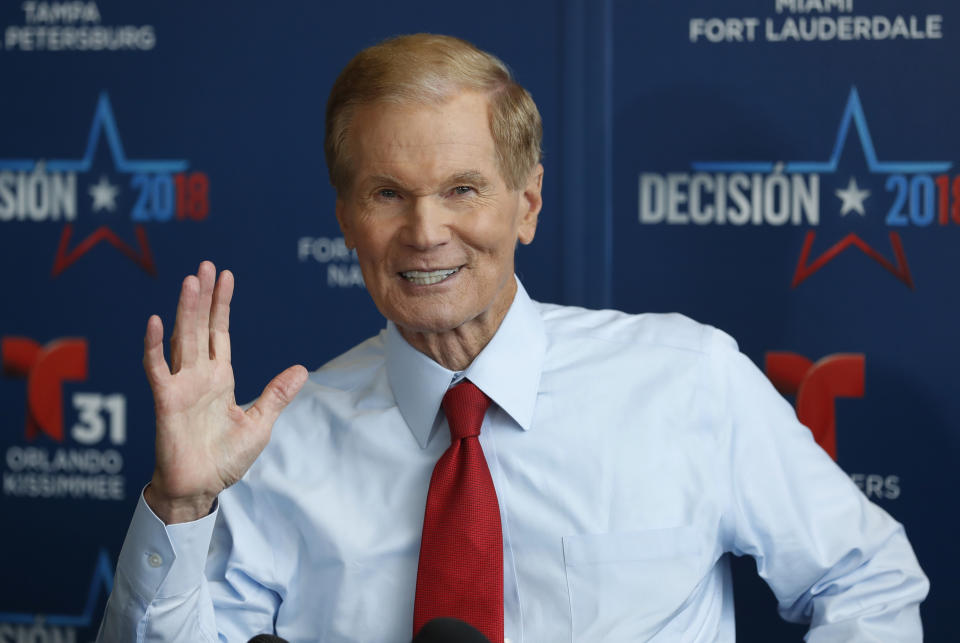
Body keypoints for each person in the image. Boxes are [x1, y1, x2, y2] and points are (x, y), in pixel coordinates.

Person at [97, 34, 928, 642]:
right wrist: (181, 504)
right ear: (346, 217)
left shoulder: (688, 380)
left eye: (462, 188)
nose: (426, 231)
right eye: (388, 193)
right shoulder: (278, 437)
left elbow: (868, 579)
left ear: (526, 205)